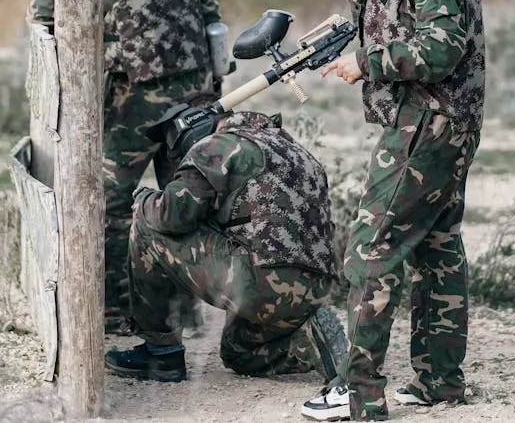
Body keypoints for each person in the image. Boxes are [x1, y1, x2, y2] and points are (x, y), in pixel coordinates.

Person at [300, 0, 485, 422]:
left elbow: (438, 51)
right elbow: (408, 28)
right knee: (435, 249)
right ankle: (439, 384)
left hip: (425, 124)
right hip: (440, 121)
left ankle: (358, 394)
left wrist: (365, 62)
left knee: (371, 248)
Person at [28, 0, 225, 336]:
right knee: (185, 205)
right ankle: (184, 316)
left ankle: (115, 315)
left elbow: (47, 5)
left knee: (109, 206)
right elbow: (210, 18)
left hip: (134, 100)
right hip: (198, 95)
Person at [104, 104, 348, 384]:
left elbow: (170, 215)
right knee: (239, 353)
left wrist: (143, 198)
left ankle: (161, 353)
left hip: (263, 284)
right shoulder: (291, 149)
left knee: (148, 223)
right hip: (315, 289)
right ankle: (310, 341)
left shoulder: (215, 145)